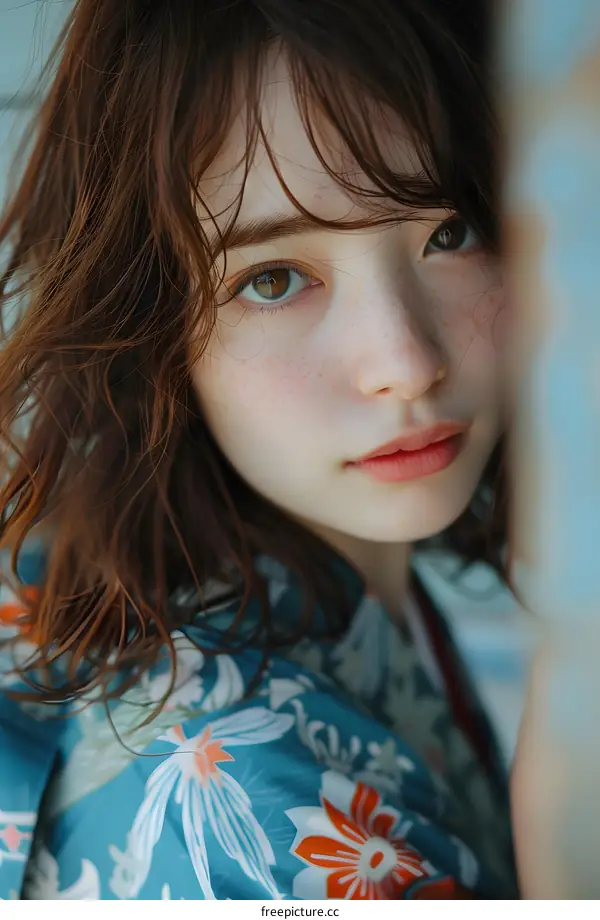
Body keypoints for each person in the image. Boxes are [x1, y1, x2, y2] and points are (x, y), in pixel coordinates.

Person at [0, 0, 516, 900]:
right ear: (151, 328)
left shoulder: (334, 584)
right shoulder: (242, 799)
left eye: (449, 232)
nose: (405, 363)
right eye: (272, 280)